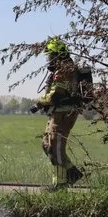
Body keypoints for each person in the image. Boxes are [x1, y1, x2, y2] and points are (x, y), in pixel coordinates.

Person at [34, 37, 84, 191]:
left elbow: (55, 96)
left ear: (58, 54)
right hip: (56, 114)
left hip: (63, 115)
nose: (49, 59)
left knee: (55, 148)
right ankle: (72, 173)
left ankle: (60, 184)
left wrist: (39, 101)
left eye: (50, 55)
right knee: (47, 145)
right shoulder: (61, 69)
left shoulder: (64, 70)